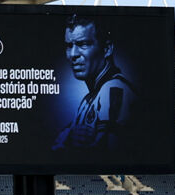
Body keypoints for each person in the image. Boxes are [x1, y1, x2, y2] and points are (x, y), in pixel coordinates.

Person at [52, 14, 137, 152]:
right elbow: (56, 145)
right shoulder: (87, 101)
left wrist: (70, 144)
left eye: (83, 44)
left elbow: (110, 155)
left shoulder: (114, 89)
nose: (73, 54)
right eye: (69, 46)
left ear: (107, 49)